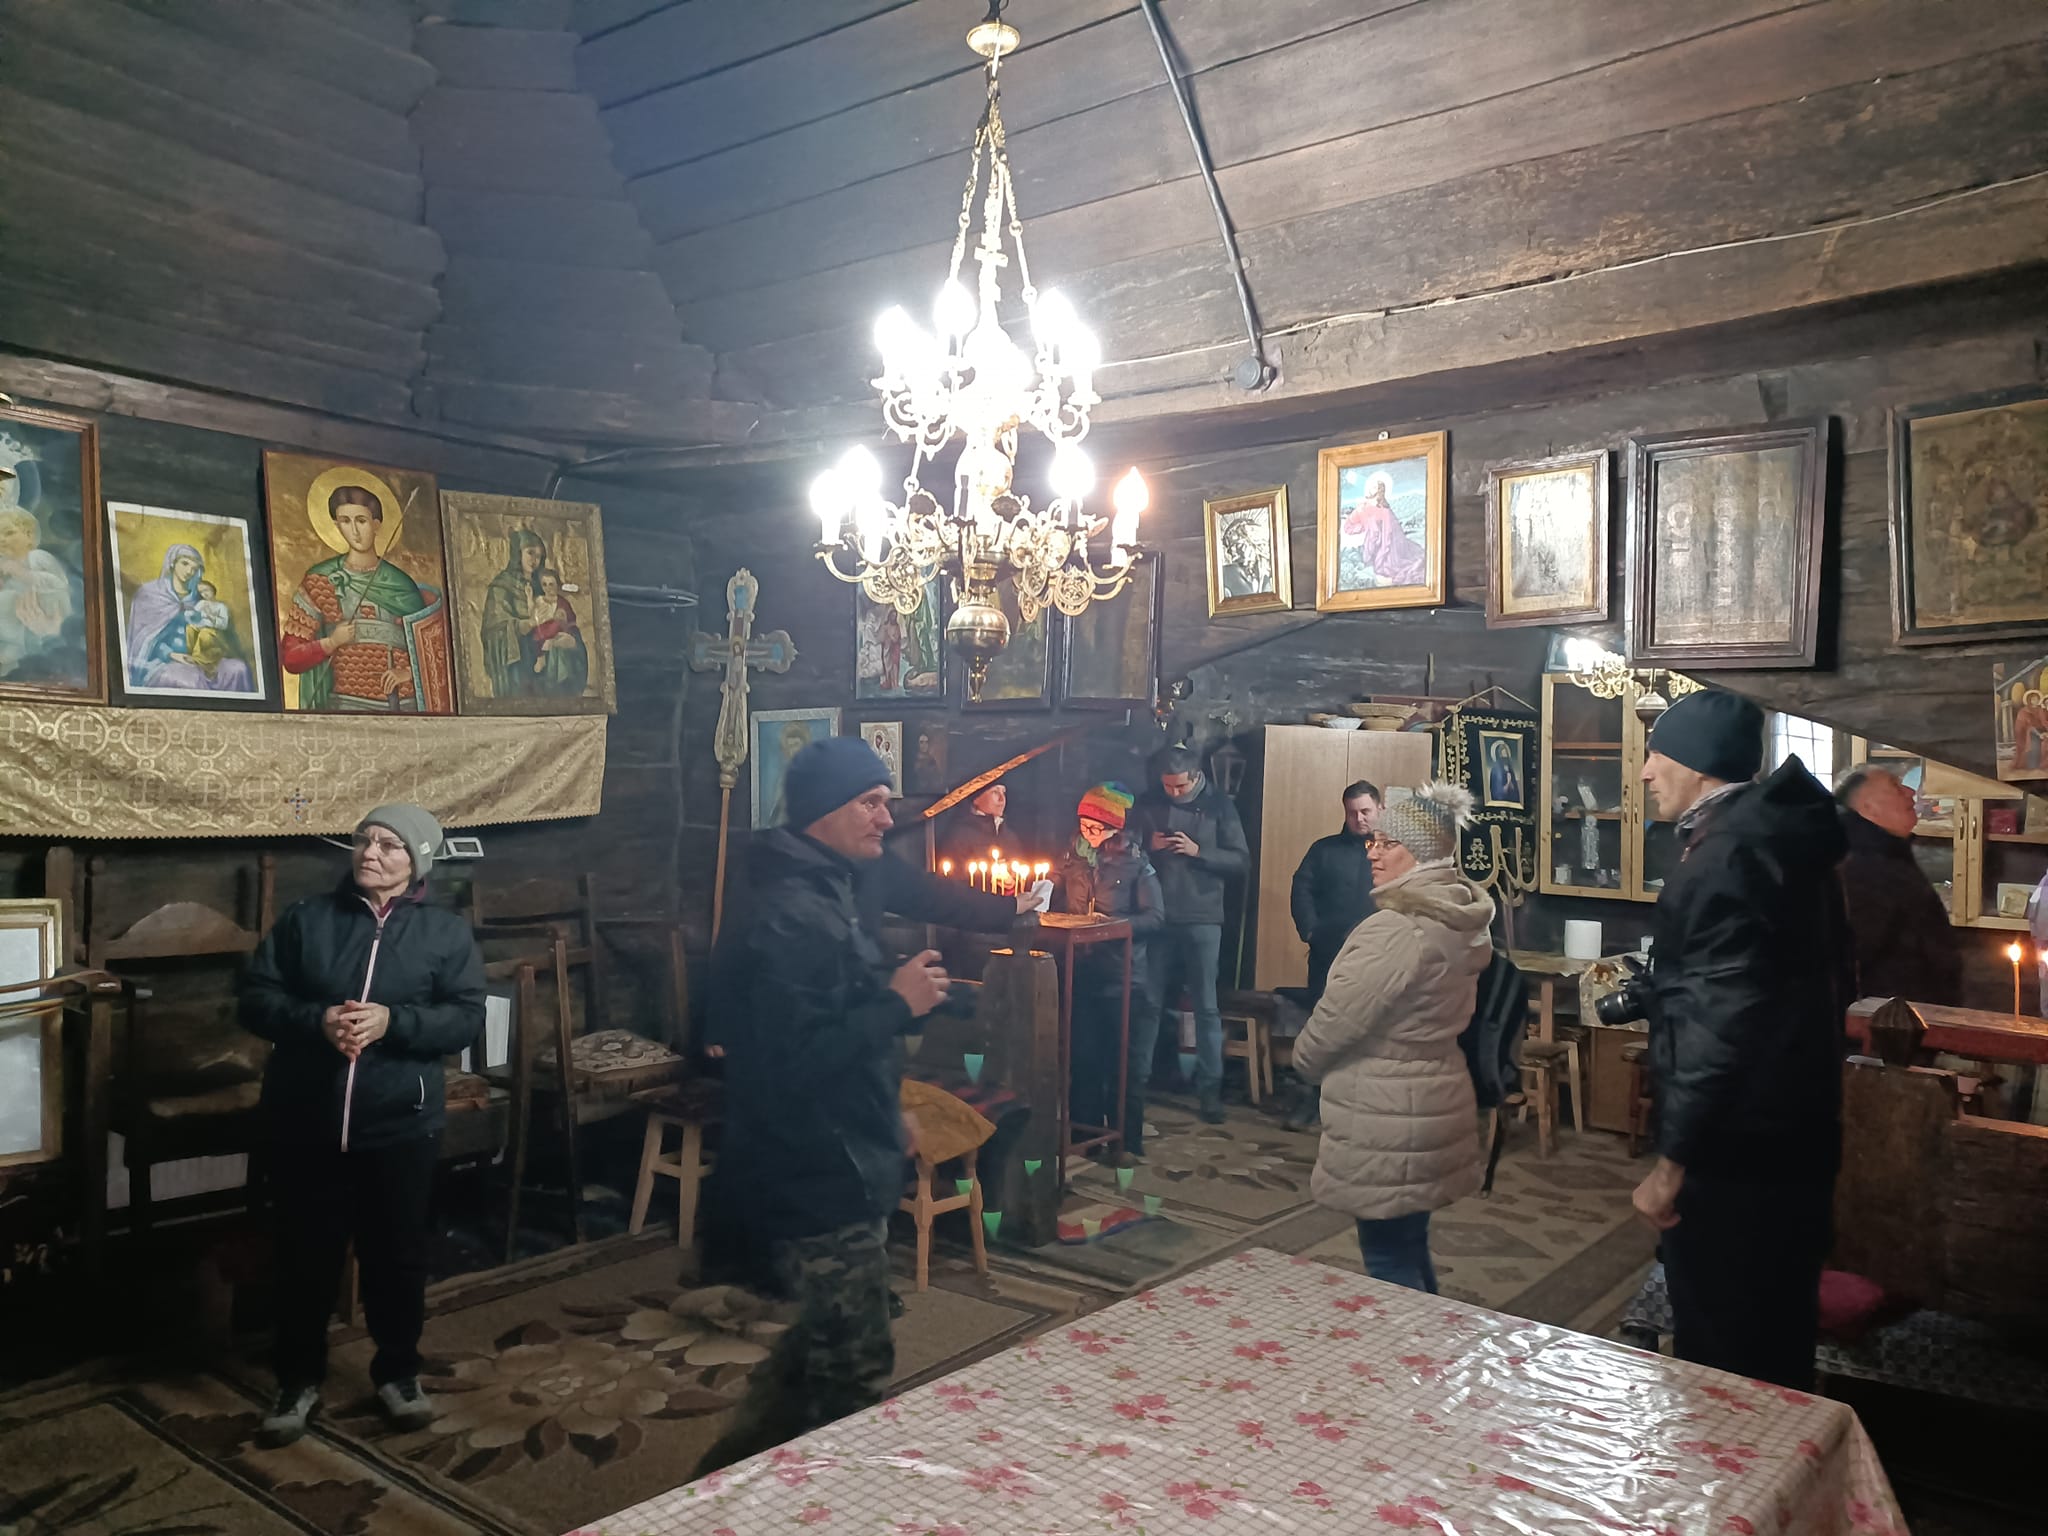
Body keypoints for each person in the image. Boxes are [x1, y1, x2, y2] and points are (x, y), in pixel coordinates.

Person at [698, 738, 951, 1473]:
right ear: (823, 811)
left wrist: (886, 1108)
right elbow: (790, 1064)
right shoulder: (790, 914)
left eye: (885, 801)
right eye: (870, 803)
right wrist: (897, 1005)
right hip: (813, 1170)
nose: (887, 817)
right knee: (852, 1368)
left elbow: (839, 1031)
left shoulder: (828, 888)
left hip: (842, 1150)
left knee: (812, 1362)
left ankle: (712, 1494)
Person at [241, 803, 485, 1447]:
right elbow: (256, 998)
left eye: (389, 845)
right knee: (303, 1257)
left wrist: (391, 1023)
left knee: (397, 1257)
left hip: (399, 1123)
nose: (370, 853)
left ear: (418, 861)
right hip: (306, 1120)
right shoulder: (307, 920)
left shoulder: (444, 934)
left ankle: (398, 1374)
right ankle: (296, 1380)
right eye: (364, 840)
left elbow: (465, 1017)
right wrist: (319, 1021)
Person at [1632, 690, 1850, 1392]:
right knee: (1774, 1352)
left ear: (1698, 764)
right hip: (1790, 1138)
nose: (1645, 772)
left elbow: (1718, 1029)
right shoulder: (1778, 840)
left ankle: (1726, 1465)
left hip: (1736, 1157)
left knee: (1726, 1367)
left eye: (1657, 755)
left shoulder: (1726, 857)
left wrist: (1672, 1164)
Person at [1291, 783, 1492, 1291]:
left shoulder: (1397, 929)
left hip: (1387, 1107)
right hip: (1430, 1095)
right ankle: (1430, 1336)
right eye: (1372, 841)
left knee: (1388, 1262)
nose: (1372, 852)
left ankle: (1413, 1343)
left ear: (1422, 852)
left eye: (1388, 843)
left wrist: (1303, 1060)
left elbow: (1338, 1019)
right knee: (1407, 1244)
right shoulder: (1454, 915)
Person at [1129, 746, 1249, 1124]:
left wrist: (1199, 851)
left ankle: (1210, 1091)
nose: (1173, 793)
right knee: (1148, 1004)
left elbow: (1241, 861)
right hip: (1156, 916)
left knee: (1205, 1008)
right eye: (1167, 786)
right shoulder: (1149, 802)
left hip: (1202, 917)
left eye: (1179, 786)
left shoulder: (1219, 806)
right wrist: (1147, 846)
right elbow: (1125, 848)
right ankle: (1136, 1086)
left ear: (1196, 776)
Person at [1055, 783, 1163, 1155]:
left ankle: (1125, 1142)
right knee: (1083, 1059)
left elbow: (1155, 917)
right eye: (1084, 824)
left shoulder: (1136, 863)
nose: (1088, 832)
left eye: (1096, 827)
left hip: (1122, 977)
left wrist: (1112, 927)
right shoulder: (1074, 857)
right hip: (1081, 973)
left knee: (1122, 1065)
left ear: (1115, 827)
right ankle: (1085, 1138)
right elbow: (1053, 885)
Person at [280, 485, 435, 711]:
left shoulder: (401, 584)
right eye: (345, 521)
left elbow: (433, 653)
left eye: (361, 521)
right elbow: (291, 658)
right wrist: (331, 642)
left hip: (403, 707)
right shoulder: (320, 581)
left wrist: (409, 672)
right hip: (345, 707)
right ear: (336, 525)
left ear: (376, 524)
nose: (354, 531)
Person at [1285, 780, 1382, 1130]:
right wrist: (1311, 931)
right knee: (1322, 1030)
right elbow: (1302, 889)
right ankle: (1312, 1100)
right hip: (1327, 955)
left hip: (1376, 959)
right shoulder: (1324, 850)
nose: (1359, 819)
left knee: (1370, 1032)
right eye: (1352, 812)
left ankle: (1361, 1108)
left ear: (1380, 809)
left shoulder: (1391, 852)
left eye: (1365, 811)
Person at [1834, 763, 1961, 1006]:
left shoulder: (1886, 854)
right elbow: (1854, 961)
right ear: (1868, 807)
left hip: (1910, 1014)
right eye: (1895, 786)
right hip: (1886, 1019)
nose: (1910, 791)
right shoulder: (1861, 865)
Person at [124, 544, 253, 693]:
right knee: (189, 680)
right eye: (184, 563)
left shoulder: (200, 598)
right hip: (165, 661)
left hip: (203, 656)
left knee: (239, 669)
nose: (189, 571)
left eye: (194, 568)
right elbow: (143, 640)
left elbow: (214, 631)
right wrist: (171, 654)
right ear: (172, 563)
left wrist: (206, 652)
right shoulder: (151, 594)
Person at [479, 528, 546, 702]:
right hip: (517, 658)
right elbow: (494, 627)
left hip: (541, 653)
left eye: (538, 556)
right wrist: (526, 624)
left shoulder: (542, 586)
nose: (534, 560)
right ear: (518, 553)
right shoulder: (502, 585)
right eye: (530, 553)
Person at [528, 566, 589, 697]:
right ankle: (541, 658)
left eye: (551, 584)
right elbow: (532, 617)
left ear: (557, 585)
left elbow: (571, 624)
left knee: (558, 640)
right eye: (544, 585)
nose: (548, 588)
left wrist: (565, 628)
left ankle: (561, 682)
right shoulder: (539, 601)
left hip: (558, 634)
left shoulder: (563, 603)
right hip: (541, 632)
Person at [939, 781, 1014, 865]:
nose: (1002, 799)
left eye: (1003, 792)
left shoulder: (1009, 836)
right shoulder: (959, 837)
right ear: (976, 799)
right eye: (995, 792)